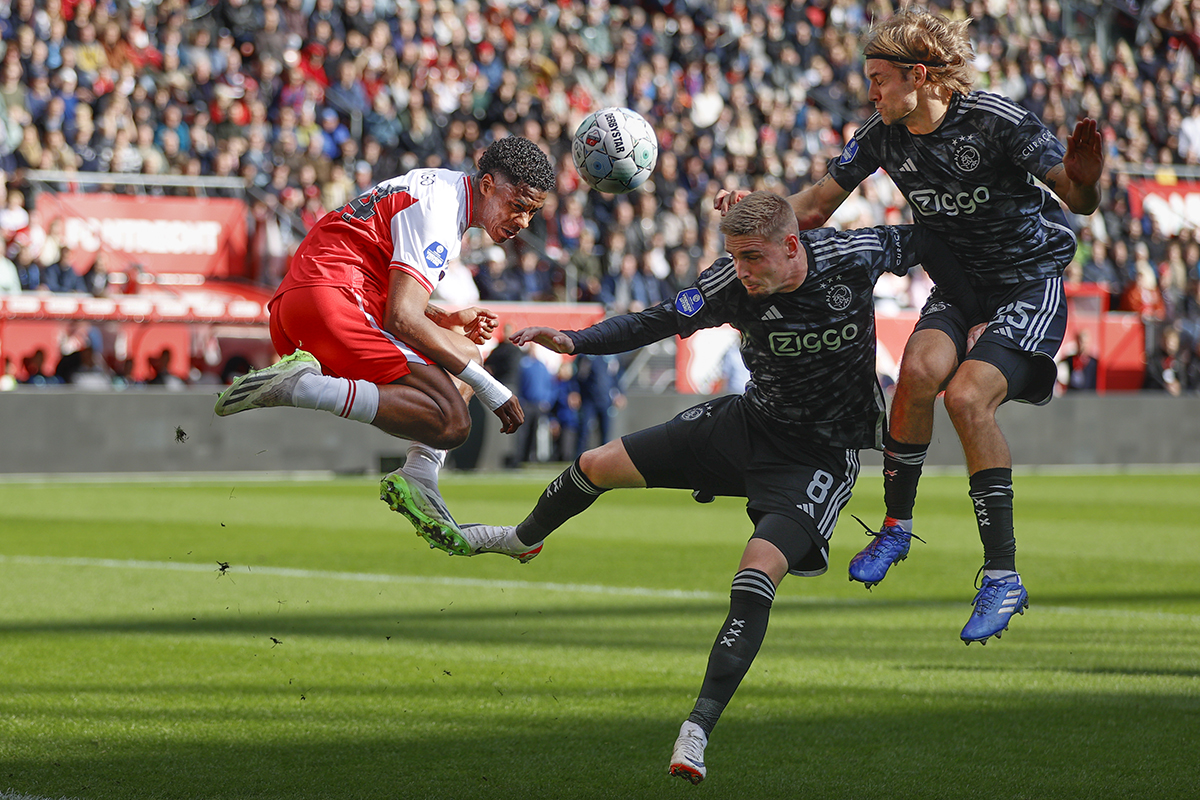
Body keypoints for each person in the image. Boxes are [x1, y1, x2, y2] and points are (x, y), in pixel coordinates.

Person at [416, 192, 979, 782]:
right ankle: (520, 537)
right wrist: (576, 341)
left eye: (753, 257)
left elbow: (933, 239)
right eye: (733, 256)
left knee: (755, 574)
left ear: (792, 246)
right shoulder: (730, 286)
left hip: (817, 458)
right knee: (596, 462)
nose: (742, 270)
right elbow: (655, 319)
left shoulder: (853, 253)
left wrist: (973, 314)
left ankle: (696, 731)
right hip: (746, 425)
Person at [717, 7, 1105, 644]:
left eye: (878, 78)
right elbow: (812, 207)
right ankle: (896, 529)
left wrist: (1087, 181)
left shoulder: (997, 120)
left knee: (967, 395)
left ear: (918, 76)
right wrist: (757, 211)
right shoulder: (881, 135)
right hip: (959, 285)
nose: (870, 91)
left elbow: (1077, 195)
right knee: (917, 374)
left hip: (1025, 284)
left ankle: (1002, 574)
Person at [215, 136, 555, 547]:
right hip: (330, 297)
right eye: (517, 206)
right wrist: (494, 391)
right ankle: (304, 387)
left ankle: (419, 475)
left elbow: (392, 291)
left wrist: (443, 317)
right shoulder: (441, 208)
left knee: (465, 351)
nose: (523, 223)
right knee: (452, 422)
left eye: (532, 213)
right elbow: (401, 317)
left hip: (314, 298)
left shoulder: (442, 192)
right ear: (487, 184)